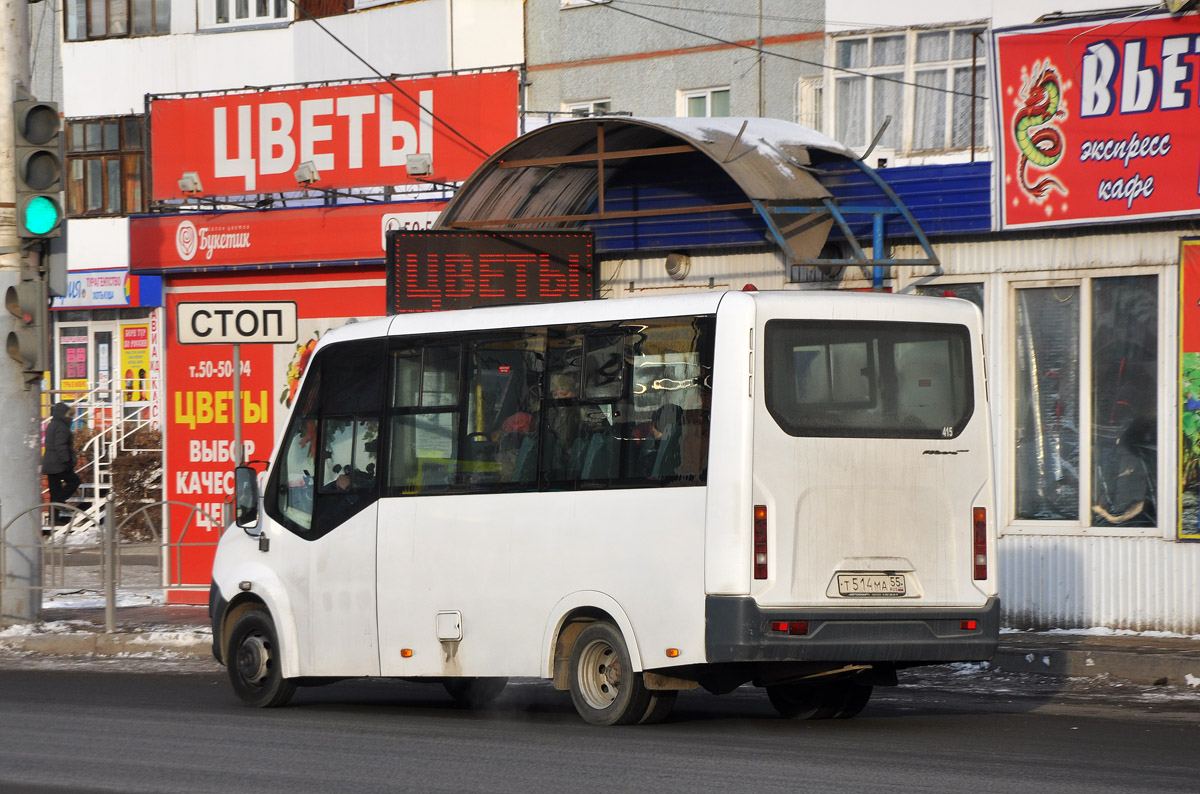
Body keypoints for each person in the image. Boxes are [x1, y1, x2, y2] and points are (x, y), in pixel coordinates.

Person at [42, 402, 81, 525]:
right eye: (69, 415)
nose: (70, 418)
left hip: (49, 464)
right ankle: (59, 501)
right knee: (74, 481)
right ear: (63, 415)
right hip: (59, 464)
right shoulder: (61, 427)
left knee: (54, 491)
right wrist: (67, 461)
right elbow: (61, 446)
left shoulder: (52, 425)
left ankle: (54, 520)